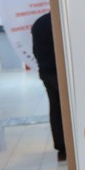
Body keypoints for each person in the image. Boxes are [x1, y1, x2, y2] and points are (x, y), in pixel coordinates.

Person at [30, 12, 66, 161]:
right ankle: (72, 144)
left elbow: (35, 51)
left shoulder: (39, 22)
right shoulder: (63, 21)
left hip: (47, 72)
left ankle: (62, 148)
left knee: (55, 108)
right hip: (63, 73)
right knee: (69, 109)